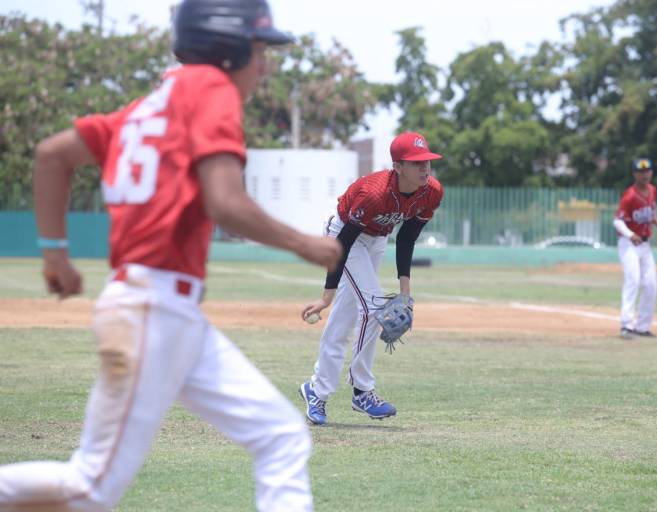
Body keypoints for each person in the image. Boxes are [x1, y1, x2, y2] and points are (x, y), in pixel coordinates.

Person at [0, 1, 341, 510]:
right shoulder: (212, 90)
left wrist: (55, 255)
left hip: (169, 314)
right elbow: (225, 203)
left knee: (282, 436)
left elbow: (53, 155)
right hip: (151, 312)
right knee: (89, 488)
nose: (264, 65)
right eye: (258, 49)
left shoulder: (146, 108)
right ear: (227, 48)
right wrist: (304, 243)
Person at [298, 132, 444, 426]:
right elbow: (343, 243)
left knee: (345, 318)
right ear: (398, 167)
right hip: (344, 235)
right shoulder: (374, 193)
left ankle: (316, 390)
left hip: (377, 240)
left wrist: (405, 293)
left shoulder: (431, 192)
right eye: (416, 163)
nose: (424, 168)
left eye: (427, 161)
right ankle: (362, 391)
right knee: (375, 308)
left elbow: (407, 239)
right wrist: (326, 297)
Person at [613, 157, 657, 340]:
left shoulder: (652, 191)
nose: (645, 174)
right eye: (641, 172)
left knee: (651, 285)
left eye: (648, 171)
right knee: (633, 280)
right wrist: (630, 234)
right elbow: (617, 221)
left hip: (645, 244)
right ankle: (626, 326)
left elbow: (651, 213)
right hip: (629, 244)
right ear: (634, 174)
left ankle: (642, 326)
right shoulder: (630, 195)